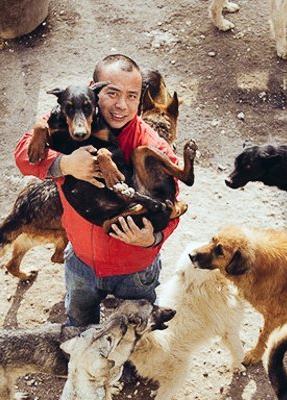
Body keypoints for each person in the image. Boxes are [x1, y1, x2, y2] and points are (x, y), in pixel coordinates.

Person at [14, 54, 179, 326]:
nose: (121, 106)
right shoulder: (71, 119)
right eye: (112, 93)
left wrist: (153, 238)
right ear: (94, 90)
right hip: (82, 261)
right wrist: (64, 163)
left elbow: (174, 206)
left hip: (135, 268)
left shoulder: (151, 146)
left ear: (141, 100)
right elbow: (23, 155)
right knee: (79, 327)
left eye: (132, 96)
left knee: (135, 332)